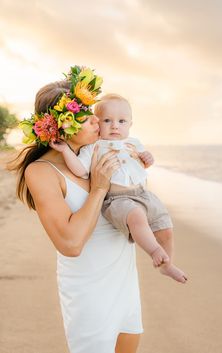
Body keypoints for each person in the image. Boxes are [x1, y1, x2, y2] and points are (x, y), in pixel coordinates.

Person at [10, 66, 144, 353]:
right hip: (90, 287)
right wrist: (98, 188)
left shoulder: (98, 153)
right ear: (64, 127)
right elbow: (70, 244)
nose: (99, 121)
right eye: (88, 118)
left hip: (123, 276)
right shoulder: (42, 171)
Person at [50, 94, 187, 283]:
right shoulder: (93, 147)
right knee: (137, 218)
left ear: (130, 124)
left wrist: (147, 159)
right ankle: (154, 250)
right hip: (117, 199)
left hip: (143, 193)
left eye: (122, 121)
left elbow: (139, 164)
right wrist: (66, 151)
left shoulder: (134, 143)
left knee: (165, 226)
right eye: (107, 120)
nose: (115, 126)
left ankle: (168, 265)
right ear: (98, 124)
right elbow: (80, 170)